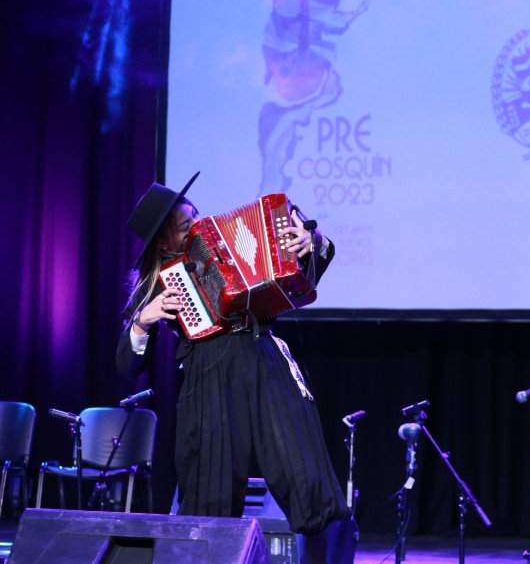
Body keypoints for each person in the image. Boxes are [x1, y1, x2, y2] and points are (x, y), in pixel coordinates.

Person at [116, 172, 354, 563]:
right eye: (185, 225)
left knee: (310, 484)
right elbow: (127, 364)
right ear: (164, 241)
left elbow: (300, 272)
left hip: (262, 357)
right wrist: (145, 319)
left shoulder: (219, 242)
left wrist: (311, 244)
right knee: (208, 504)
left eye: (194, 215)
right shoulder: (155, 284)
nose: (198, 225)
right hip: (206, 381)